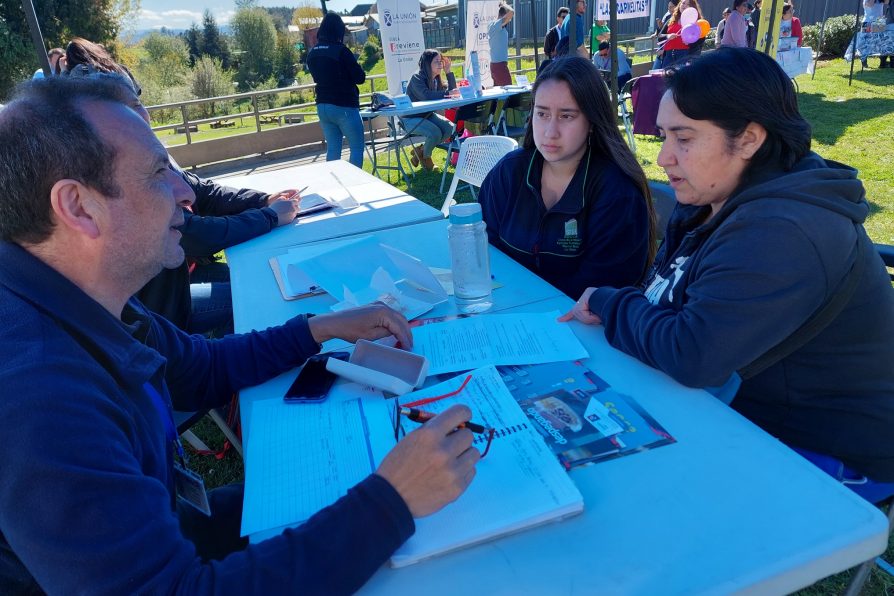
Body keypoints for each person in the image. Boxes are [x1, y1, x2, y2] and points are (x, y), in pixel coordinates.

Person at [0, 75, 480, 593]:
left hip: (168, 527)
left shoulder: (81, 299)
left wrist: (320, 328)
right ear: (78, 207)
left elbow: (204, 370)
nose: (186, 194)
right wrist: (392, 502)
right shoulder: (38, 396)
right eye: (160, 173)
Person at [560, 49, 894, 501]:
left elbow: (691, 353)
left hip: (831, 450)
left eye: (684, 138)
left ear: (749, 139)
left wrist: (609, 301)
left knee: (617, 492)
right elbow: (670, 308)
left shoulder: (783, 230)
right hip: (725, 404)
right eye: (663, 136)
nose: (663, 159)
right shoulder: (716, 197)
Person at [64, 47, 303, 336]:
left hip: (177, 283)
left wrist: (262, 200)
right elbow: (194, 234)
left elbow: (200, 190)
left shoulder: (139, 150)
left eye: (137, 101)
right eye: (127, 106)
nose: (141, 113)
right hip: (157, 314)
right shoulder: (110, 172)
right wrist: (269, 217)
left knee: (256, 278)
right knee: (251, 294)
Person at [478, 57, 655, 300]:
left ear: (592, 122)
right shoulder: (509, 172)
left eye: (567, 116)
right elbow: (484, 246)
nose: (550, 132)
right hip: (507, 314)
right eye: (542, 113)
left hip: (580, 329)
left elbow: (599, 290)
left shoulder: (617, 193)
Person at [307, 12, 367, 168]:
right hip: (344, 106)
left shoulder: (312, 53)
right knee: (356, 148)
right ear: (338, 31)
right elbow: (359, 78)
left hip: (323, 106)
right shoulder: (341, 51)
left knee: (333, 150)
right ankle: (354, 185)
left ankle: (333, 186)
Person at [404, 49, 457, 172]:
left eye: (441, 61)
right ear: (428, 64)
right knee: (435, 133)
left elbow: (451, 92)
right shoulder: (417, 77)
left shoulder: (436, 78)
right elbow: (426, 96)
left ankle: (420, 152)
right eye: (437, 61)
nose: (440, 64)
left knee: (450, 128)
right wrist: (447, 93)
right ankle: (427, 159)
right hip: (410, 118)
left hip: (427, 115)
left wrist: (448, 72)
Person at [657, 0, 704, 68]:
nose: (684, 5)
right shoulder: (671, 20)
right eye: (683, 3)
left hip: (685, 54)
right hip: (668, 55)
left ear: (692, 7)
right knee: (666, 78)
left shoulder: (696, 21)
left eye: (688, 4)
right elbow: (659, 37)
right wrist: (668, 36)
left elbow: (701, 40)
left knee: (681, 77)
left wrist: (689, 42)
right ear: (679, 5)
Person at [488, 3, 515, 86]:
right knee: (509, 90)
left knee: (499, 92)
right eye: (507, 18)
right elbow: (511, 12)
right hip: (499, 65)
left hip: (497, 65)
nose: (509, 20)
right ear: (504, 15)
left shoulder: (493, 25)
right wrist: (504, 4)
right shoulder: (496, 25)